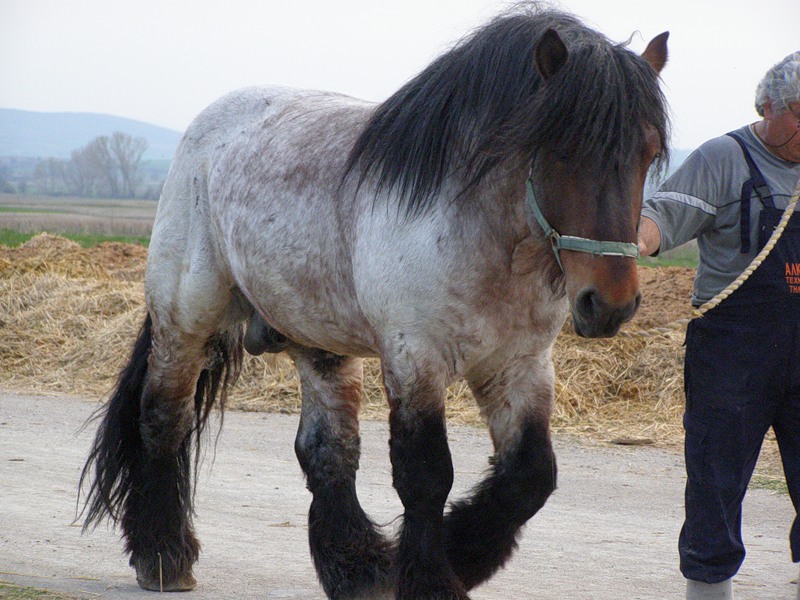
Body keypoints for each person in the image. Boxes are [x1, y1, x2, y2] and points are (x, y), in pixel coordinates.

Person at [639, 51, 800, 600]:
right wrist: (635, 241)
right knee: (715, 487)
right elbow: (662, 216)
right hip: (732, 356)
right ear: (766, 106)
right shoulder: (722, 158)